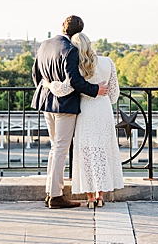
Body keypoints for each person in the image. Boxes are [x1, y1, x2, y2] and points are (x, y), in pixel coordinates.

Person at [31, 15, 108, 209]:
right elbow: (75, 81)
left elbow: (36, 75)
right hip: (65, 106)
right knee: (60, 150)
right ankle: (56, 196)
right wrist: (95, 90)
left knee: (54, 149)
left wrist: (49, 90)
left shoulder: (44, 45)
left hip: (47, 102)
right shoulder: (71, 50)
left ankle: (51, 192)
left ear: (62, 27)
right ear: (79, 33)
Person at [43, 32, 124, 208]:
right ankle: (100, 195)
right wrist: (102, 99)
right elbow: (114, 94)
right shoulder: (108, 62)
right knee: (102, 151)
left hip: (85, 110)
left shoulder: (79, 66)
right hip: (103, 110)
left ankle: (90, 198)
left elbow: (64, 88)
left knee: (86, 153)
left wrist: (48, 84)